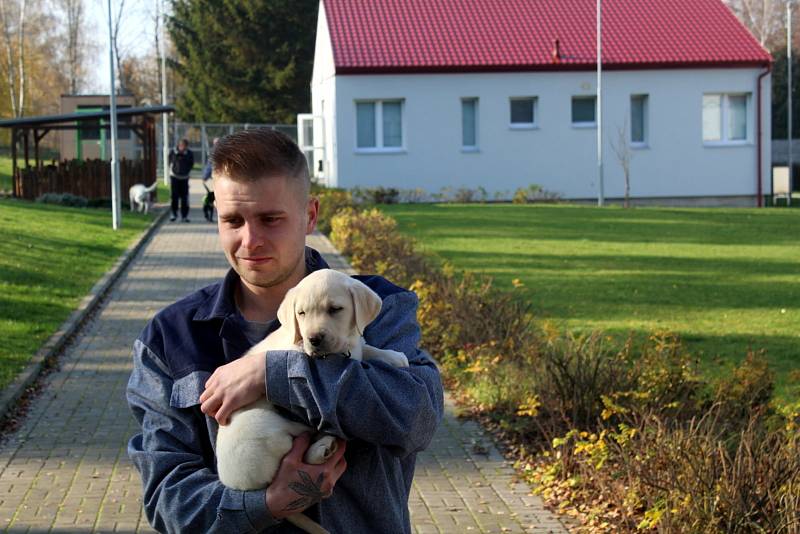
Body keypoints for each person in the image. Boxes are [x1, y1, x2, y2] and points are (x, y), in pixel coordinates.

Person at [127, 128, 444, 533]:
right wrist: (267, 504)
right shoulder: (170, 338)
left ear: (310, 215)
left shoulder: (378, 306)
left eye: (270, 219)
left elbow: (416, 417)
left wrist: (273, 375)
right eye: (233, 220)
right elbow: (168, 500)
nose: (250, 240)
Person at [168, 138, 195, 222]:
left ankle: (184, 216)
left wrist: (187, 170)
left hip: (184, 178)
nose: (182, 148)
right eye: (181, 146)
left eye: (184, 146)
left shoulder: (189, 154)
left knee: (184, 198)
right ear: (178, 145)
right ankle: (174, 214)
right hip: (174, 177)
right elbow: (169, 161)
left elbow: (191, 164)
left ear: (186, 146)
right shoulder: (173, 152)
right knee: (174, 197)